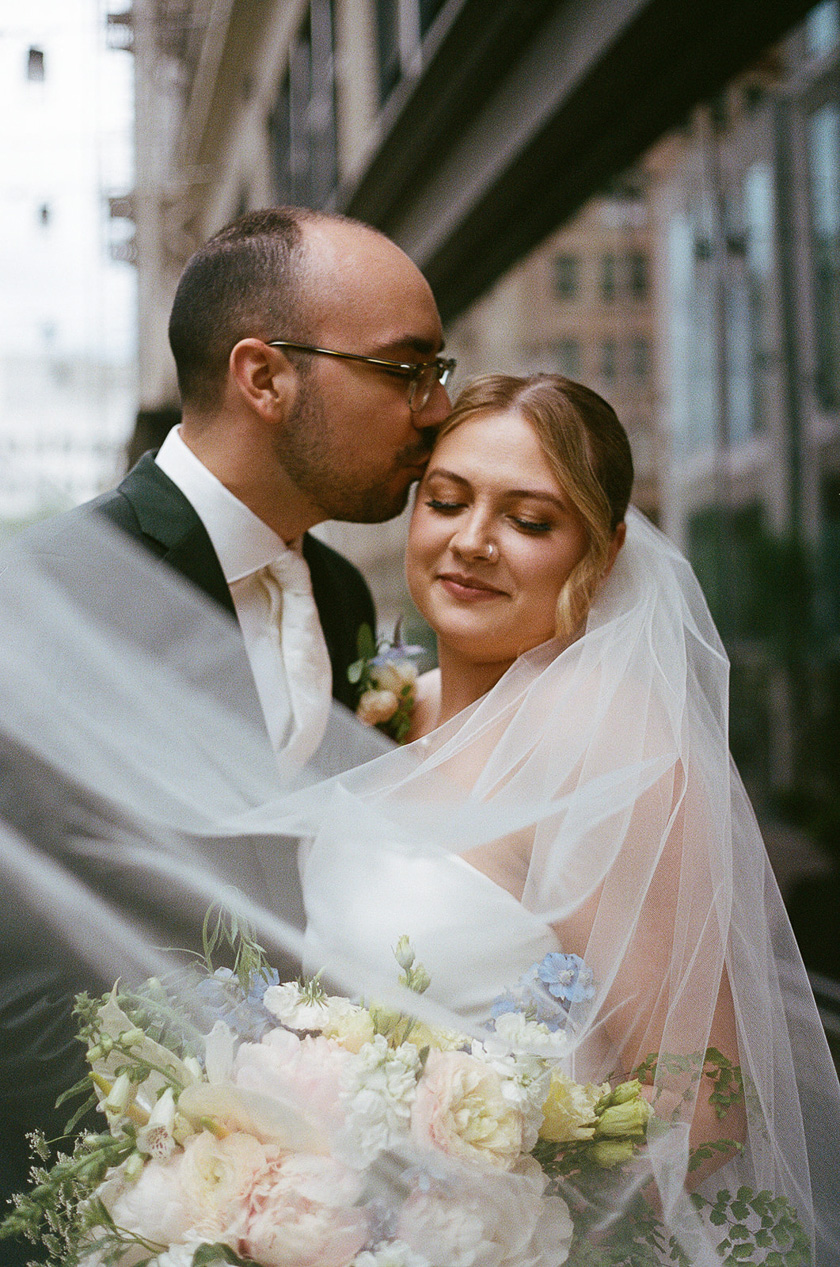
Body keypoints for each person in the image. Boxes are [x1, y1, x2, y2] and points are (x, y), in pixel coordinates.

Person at [2, 374, 839, 1264]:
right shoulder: (391, 712)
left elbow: (701, 1101)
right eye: (446, 501)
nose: (472, 542)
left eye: (529, 520)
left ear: (604, 546)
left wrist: (507, 1234)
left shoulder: (610, 737)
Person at [6, 205, 453, 767]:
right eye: (405, 372)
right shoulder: (48, 589)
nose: (438, 409)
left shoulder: (344, 596)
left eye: (439, 373)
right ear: (264, 379)